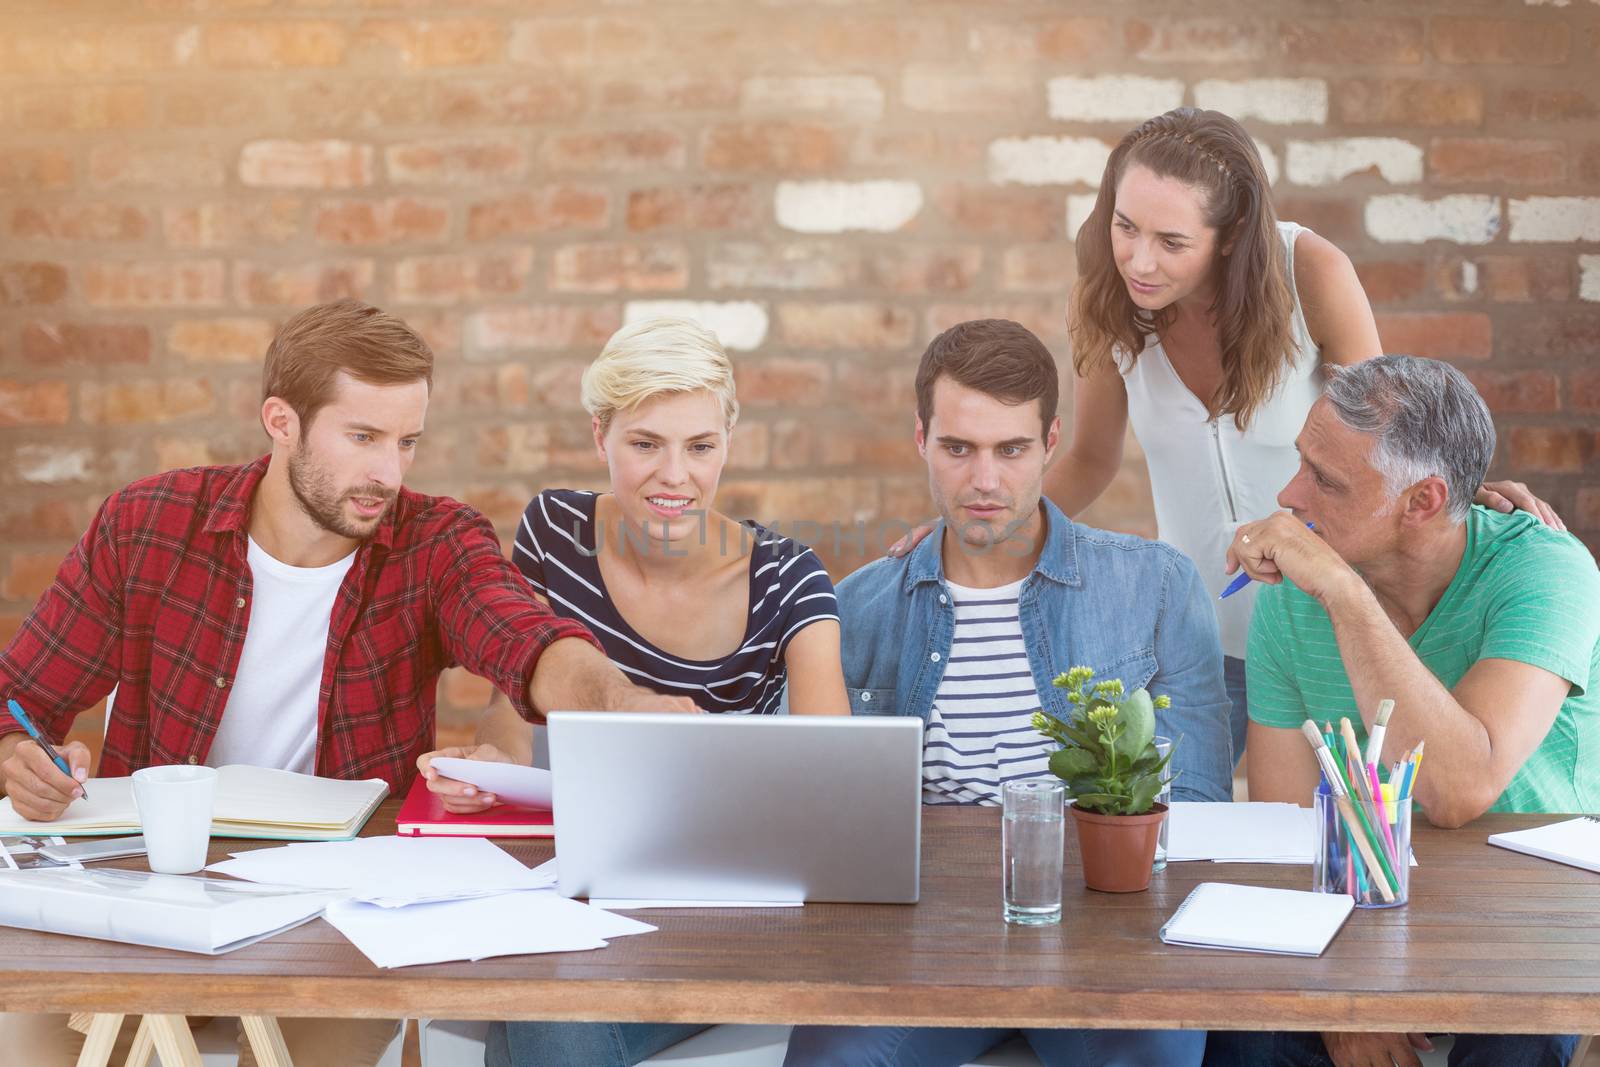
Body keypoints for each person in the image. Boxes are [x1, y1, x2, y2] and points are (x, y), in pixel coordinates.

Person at [0, 299, 683, 1067]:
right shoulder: (147, 526)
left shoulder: (435, 540)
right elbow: (17, 699)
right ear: (281, 420)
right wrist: (18, 757)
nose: (387, 472)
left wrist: (628, 704)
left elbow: (527, 641)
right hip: (151, 907)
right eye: (363, 437)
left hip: (336, 922)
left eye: (407, 441)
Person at [893, 107, 1559, 765]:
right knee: (1182, 830)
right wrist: (988, 521)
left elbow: (1384, 444)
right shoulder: (1106, 298)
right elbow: (1092, 459)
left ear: (1233, 233)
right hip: (1192, 638)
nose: (1139, 260)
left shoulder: (1311, 275)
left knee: (1331, 834)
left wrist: (1460, 494)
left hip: (1313, 632)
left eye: (1171, 242)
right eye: (1125, 227)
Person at [783, 319, 1231, 1067]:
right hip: (920, 948)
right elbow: (800, 806)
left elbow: (1202, 798)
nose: (985, 480)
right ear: (920, 438)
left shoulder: (1156, 585)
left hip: (1105, 947)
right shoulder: (854, 608)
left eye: (1011, 449)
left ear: (1052, 440)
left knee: (1158, 1047)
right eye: (958, 448)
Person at [418, 316, 849, 1067]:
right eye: (645, 443)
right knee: (539, 1003)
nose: (674, 476)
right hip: (578, 888)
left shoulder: (787, 576)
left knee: (541, 1017)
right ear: (600, 438)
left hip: (723, 907)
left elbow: (835, 789)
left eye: (700, 446)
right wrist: (494, 764)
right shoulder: (554, 531)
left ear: (728, 443)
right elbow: (514, 709)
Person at [1209, 355, 1591, 1067]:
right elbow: (1293, 831)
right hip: (1361, 921)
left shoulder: (1547, 570)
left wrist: (1340, 590)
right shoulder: (1289, 599)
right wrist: (1341, 999)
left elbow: (1457, 786)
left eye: (1326, 480)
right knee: (1246, 1035)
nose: (1291, 495)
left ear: (1422, 501)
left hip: (1529, 928)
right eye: (1302, 463)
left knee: (1520, 1040)